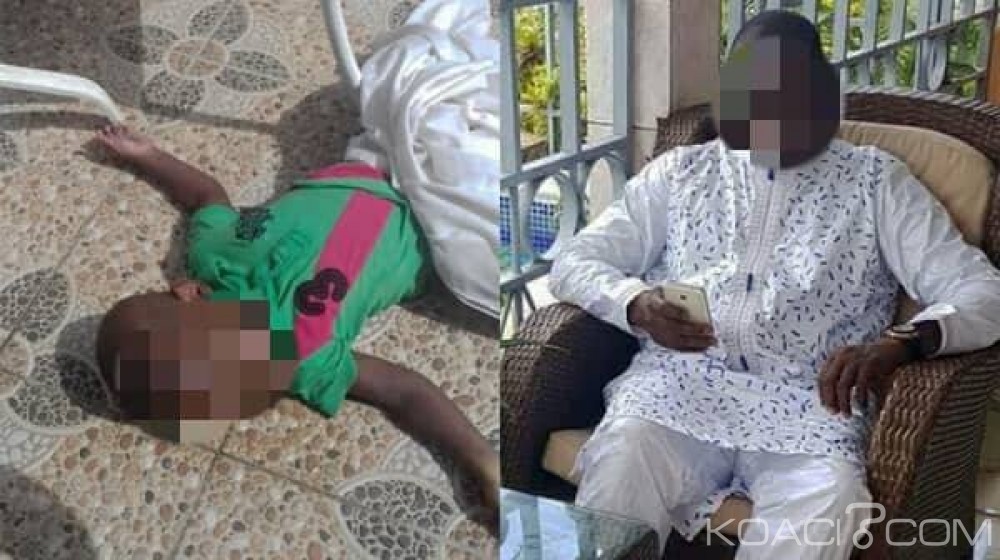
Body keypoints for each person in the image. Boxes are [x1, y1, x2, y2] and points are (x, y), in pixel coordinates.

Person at [548, 10, 1000, 559]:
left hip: (812, 406)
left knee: (828, 502)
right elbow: (574, 260)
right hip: (677, 391)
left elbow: (984, 293)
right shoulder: (683, 172)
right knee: (621, 465)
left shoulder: (876, 182)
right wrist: (635, 304)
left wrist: (903, 342)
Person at [91, 124, 499, 528]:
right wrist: (481, 459)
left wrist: (148, 156)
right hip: (433, 223)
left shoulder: (213, 255)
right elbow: (404, 391)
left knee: (429, 107)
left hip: (368, 163)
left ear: (190, 292)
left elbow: (206, 196)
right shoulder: (299, 356)